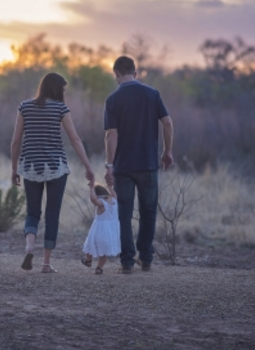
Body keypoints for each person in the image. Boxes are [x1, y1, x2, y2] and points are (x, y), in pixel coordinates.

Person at [11, 72, 95, 273]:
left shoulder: (25, 107)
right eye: (63, 89)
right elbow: (74, 139)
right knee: (52, 214)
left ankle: (29, 246)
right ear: (56, 89)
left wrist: (14, 169)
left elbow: (15, 141)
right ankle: (46, 263)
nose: (64, 93)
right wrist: (88, 166)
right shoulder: (61, 108)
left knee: (32, 212)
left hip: (30, 166)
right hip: (56, 167)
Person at [104, 56, 174, 274]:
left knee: (124, 213)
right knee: (148, 211)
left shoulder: (113, 99)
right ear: (135, 73)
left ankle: (126, 261)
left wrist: (109, 164)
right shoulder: (152, 94)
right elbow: (167, 123)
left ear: (116, 74)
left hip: (124, 167)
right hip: (148, 164)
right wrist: (167, 151)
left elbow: (111, 135)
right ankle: (145, 258)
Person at [81, 182, 121, 275]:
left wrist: (91, 188)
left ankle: (88, 260)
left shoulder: (101, 203)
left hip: (100, 230)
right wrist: (110, 187)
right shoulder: (114, 200)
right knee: (104, 251)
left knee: (90, 244)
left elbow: (93, 199)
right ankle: (99, 268)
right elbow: (114, 193)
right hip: (111, 231)